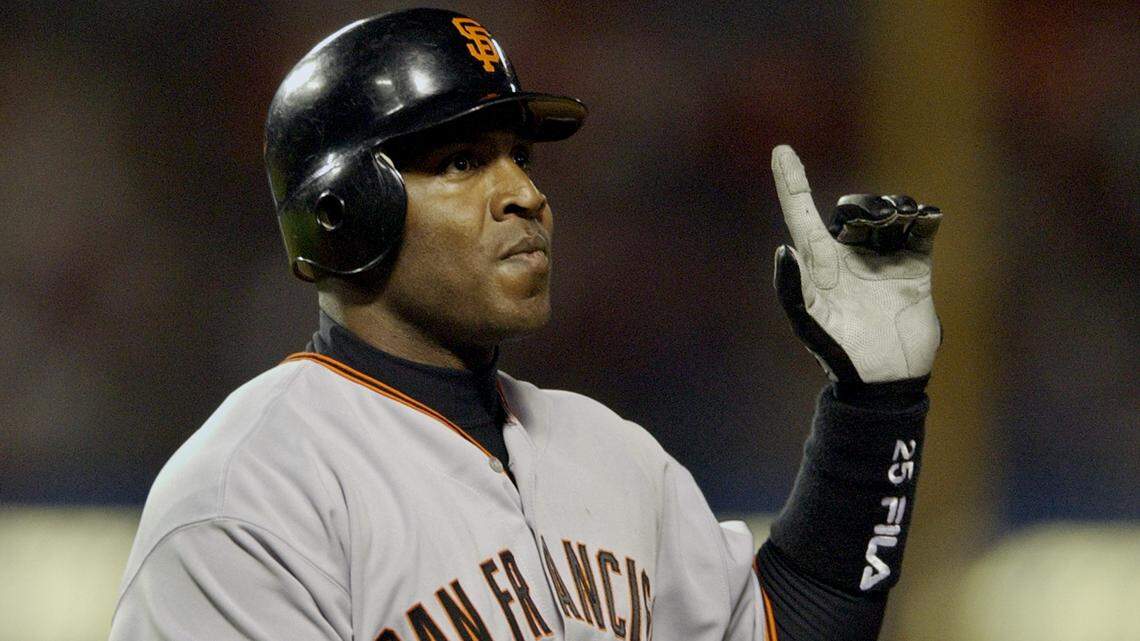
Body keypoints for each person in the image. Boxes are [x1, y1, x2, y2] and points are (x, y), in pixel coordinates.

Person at [110, 8, 942, 641]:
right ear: (344, 213)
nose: (526, 195)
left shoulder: (614, 456)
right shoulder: (250, 494)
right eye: (463, 161)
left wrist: (874, 411)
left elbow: (781, 624)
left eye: (522, 157)